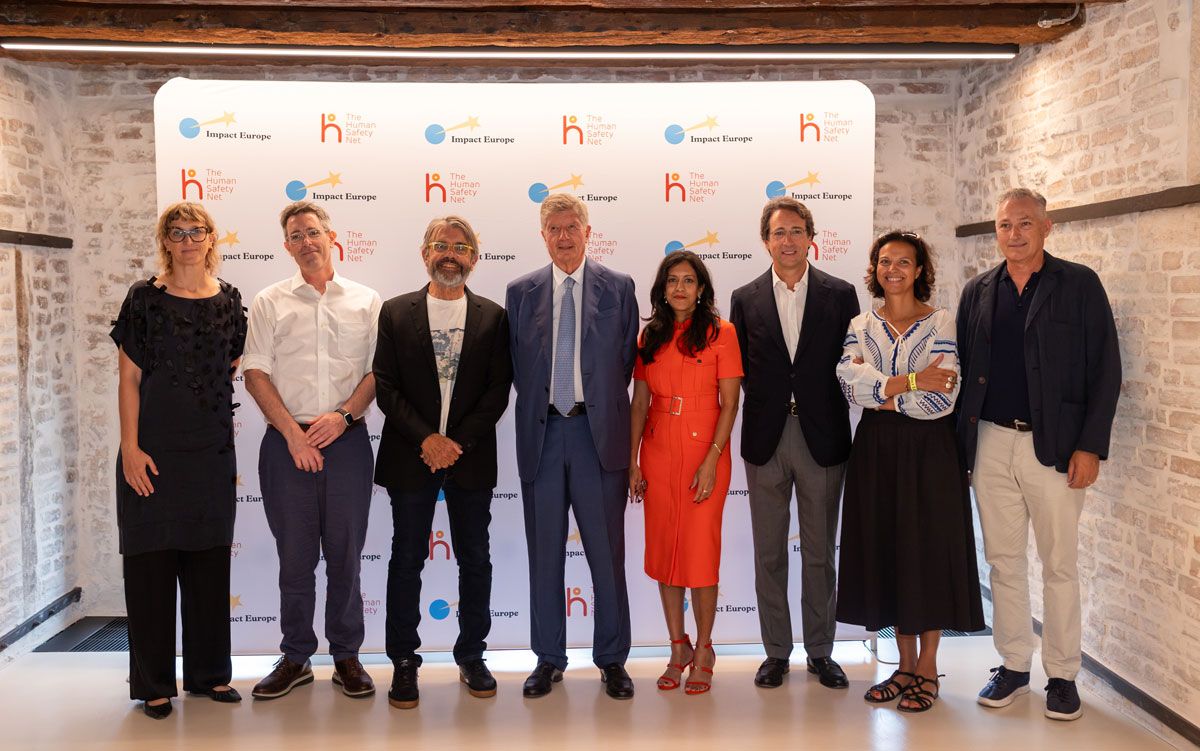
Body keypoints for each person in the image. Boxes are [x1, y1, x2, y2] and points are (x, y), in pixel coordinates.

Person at [957, 188, 1121, 721]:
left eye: (1025, 223)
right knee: (1003, 563)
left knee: (1059, 564)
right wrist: (962, 450)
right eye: (1005, 225)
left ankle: (1063, 675)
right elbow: (965, 372)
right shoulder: (978, 291)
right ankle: (1013, 666)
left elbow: (1106, 369)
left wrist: (1090, 446)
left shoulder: (1079, 285)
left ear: (1047, 227)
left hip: (1055, 447)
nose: (1015, 234)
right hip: (990, 443)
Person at [835, 230, 985, 713]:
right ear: (875, 269)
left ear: (919, 270)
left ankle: (927, 667)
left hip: (930, 450)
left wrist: (881, 388)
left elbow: (941, 400)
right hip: (875, 451)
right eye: (885, 261)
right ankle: (902, 666)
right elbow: (849, 386)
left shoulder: (941, 321)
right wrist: (913, 380)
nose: (893, 269)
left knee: (928, 551)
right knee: (890, 549)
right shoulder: (861, 324)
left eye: (903, 262)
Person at [111, 201, 246, 719]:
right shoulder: (144, 298)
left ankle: (209, 676)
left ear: (211, 237)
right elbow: (128, 379)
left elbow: (230, 368)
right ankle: (154, 684)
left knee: (209, 563)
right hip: (152, 451)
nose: (187, 240)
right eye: (177, 232)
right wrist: (130, 447)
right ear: (165, 240)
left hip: (210, 454)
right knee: (150, 566)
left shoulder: (230, 300)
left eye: (196, 231)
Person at [243, 201, 382, 701]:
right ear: (287, 246)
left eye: (313, 232)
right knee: (295, 559)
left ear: (331, 236)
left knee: (345, 557)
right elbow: (254, 371)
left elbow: (377, 372)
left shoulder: (366, 301)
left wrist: (342, 416)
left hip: (347, 442)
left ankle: (346, 656)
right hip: (286, 446)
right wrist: (293, 434)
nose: (306, 242)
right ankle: (296, 657)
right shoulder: (269, 301)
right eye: (296, 236)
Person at [373, 216, 512, 709]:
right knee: (406, 559)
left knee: (475, 559)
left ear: (474, 257)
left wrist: (455, 443)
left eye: (460, 247)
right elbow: (385, 385)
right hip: (410, 454)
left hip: (469, 457)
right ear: (424, 252)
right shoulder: (395, 312)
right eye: (440, 245)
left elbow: (498, 391)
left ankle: (472, 654)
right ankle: (403, 660)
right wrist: (428, 439)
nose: (450, 254)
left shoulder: (495, 317)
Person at [506, 193, 639, 700]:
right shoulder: (520, 292)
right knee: (545, 555)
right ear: (543, 236)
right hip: (542, 437)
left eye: (571, 227)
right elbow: (518, 367)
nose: (563, 237)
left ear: (588, 231)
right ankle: (548, 658)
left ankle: (612, 659)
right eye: (553, 229)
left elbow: (624, 363)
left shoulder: (619, 287)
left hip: (596, 436)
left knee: (607, 555)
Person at [729, 197, 860, 690]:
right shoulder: (744, 298)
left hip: (821, 438)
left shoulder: (840, 294)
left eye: (796, 231)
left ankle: (821, 651)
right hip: (766, 439)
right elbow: (742, 369)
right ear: (766, 241)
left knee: (820, 551)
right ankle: (776, 653)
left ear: (811, 238)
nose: (788, 240)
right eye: (779, 232)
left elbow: (851, 364)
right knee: (769, 553)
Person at [629, 251, 742, 695]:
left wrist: (713, 458)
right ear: (662, 288)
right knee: (665, 553)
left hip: (704, 451)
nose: (680, 288)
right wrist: (633, 459)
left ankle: (705, 649)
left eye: (688, 280)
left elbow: (730, 403)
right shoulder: (650, 335)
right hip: (658, 449)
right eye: (672, 280)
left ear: (701, 289)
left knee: (699, 554)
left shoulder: (721, 333)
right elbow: (640, 402)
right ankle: (678, 647)